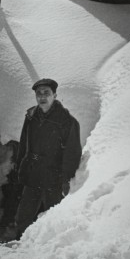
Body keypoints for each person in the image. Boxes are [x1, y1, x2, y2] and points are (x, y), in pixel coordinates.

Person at [12, 78, 82, 239]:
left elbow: (72, 154)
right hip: (33, 174)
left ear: (55, 95)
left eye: (46, 93)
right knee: (23, 216)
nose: (42, 97)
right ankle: (18, 248)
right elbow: (24, 144)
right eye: (39, 93)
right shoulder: (31, 117)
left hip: (53, 177)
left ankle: (49, 250)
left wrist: (65, 179)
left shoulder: (67, 122)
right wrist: (21, 166)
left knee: (53, 218)